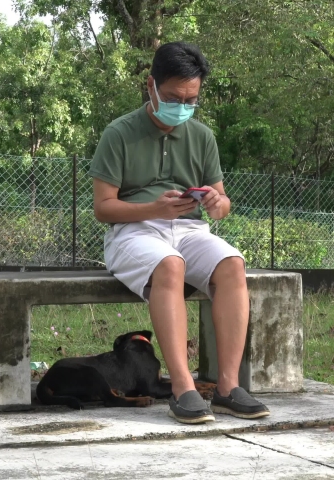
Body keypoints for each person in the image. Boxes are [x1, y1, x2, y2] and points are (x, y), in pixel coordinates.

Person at [89, 41, 269, 424]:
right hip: (133, 231)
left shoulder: (202, 137)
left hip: (189, 228)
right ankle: (183, 388)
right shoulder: (119, 133)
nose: (182, 107)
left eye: (191, 100)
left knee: (232, 264)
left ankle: (227, 387)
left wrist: (218, 203)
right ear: (151, 85)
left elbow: (222, 200)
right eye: (173, 98)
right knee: (170, 264)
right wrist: (153, 209)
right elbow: (103, 208)